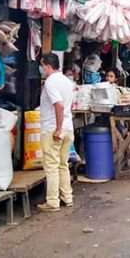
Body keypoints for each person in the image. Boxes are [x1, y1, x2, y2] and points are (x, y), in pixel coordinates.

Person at [37, 53, 75, 212]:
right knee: (62, 165)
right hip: (68, 127)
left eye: (42, 65)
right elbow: (69, 104)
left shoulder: (51, 82)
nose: (41, 69)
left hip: (54, 129)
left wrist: (57, 129)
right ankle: (67, 197)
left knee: (51, 166)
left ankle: (52, 201)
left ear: (46, 65)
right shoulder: (67, 81)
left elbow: (58, 105)